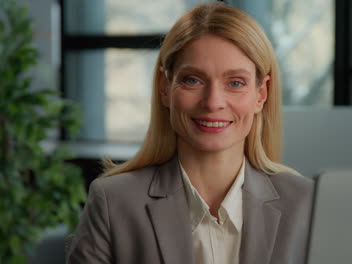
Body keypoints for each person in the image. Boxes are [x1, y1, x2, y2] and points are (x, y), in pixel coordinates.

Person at [66, 2, 314, 264]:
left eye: (236, 83)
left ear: (261, 94)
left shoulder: (306, 203)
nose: (213, 102)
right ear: (164, 87)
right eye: (193, 80)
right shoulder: (113, 202)